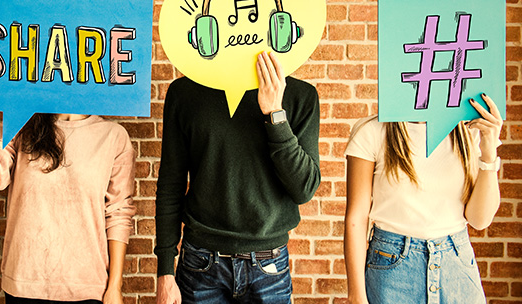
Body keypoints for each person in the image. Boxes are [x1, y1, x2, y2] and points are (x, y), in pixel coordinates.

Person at [0, 80, 136, 304]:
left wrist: (115, 286)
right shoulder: (21, 124)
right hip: (25, 283)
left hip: (87, 285)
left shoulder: (114, 136)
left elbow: (118, 214)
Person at [155, 51, 321, 304]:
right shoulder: (185, 92)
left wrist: (275, 113)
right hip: (201, 264)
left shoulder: (301, 96)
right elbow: (170, 185)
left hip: (269, 266)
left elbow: (304, 189)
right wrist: (165, 270)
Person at [343, 94, 502, 304]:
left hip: (456, 265)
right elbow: (356, 218)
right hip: (392, 266)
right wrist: (356, 296)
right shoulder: (373, 131)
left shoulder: (468, 132)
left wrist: (489, 154)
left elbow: (479, 220)